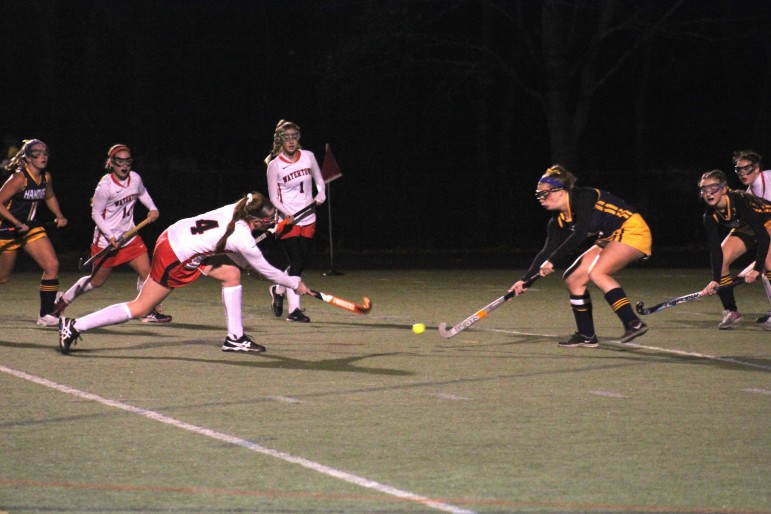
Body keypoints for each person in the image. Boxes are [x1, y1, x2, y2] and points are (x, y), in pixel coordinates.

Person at [58, 192, 311, 354]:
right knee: (140, 308)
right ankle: (75, 326)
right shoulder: (244, 238)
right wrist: (293, 283)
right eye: (266, 222)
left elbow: (225, 244)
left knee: (231, 275)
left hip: (175, 235)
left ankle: (235, 338)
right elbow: (268, 270)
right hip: (176, 255)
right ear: (255, 221)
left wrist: (245, 266)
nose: (269, 223)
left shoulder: (240, 206)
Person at [509, 165, 652, 347]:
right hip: (609, 238)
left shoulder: (584, 196)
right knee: (573, 278)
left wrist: (552, 261)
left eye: (544, 193)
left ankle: (633, 322)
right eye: (538, 194)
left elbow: (580, 233)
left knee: (597, 273)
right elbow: (546, 251)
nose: (540, 198)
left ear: (561, 191)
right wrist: (525, 281)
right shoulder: (557, 220)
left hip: (632, 230)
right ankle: (586, 335)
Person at [54, 144, 171, 323]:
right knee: (96, 282)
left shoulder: (135, 179)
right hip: (107, 241)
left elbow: (143, 193)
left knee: (147, 273)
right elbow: (95, 214)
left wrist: (152, 208)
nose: (124, 166)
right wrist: (110, 236)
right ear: (111, 163)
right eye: (119, 162)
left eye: (127, 161)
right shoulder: (105, 186)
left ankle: (146, 311)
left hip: (130, 237)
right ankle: (63, 300)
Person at [0, 139, 68, 326]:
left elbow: (50, 196)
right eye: (37, 153)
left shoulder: (46, 178)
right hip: (7, 230)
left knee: (52, 265)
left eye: (45, 153)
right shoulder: (19, 178)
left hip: (30, 228)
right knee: (3, 278)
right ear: (28, 158)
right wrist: (16, 222)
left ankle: (46, 315)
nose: (42, 156)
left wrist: (59, 215)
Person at [264, 120, 325, 322]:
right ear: (280, 139)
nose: (291, 141)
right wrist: (286, 212)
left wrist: (321, 193)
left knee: (300, 263)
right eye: (286, 137)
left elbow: (319, 180)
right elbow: (273, 197)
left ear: (298, 138)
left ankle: (278, 289)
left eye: (294, 136)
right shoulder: (275, 165)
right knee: (296, 262)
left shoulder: (308, 156)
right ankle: (294, 311)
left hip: (308, 217)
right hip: (287, 220)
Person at [697, 170, 771, 330]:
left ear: (724, 189)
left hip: (767, 221)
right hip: (747, 228)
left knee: (768, 262)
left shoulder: (738, 202)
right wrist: (715, 279)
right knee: (722, 259)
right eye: (704, 190)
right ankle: (731, 311)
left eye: (713, 188)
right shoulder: (709, 215)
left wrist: (757, 269)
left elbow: (764, 237)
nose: (708, 193)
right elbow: (715, 251)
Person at [732, 149, 771, 324]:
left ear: (757, 169)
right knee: (766, 271)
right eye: (738, 169)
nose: (742, 173)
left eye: (746, 168)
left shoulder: (769, 178)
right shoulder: (749, 197)